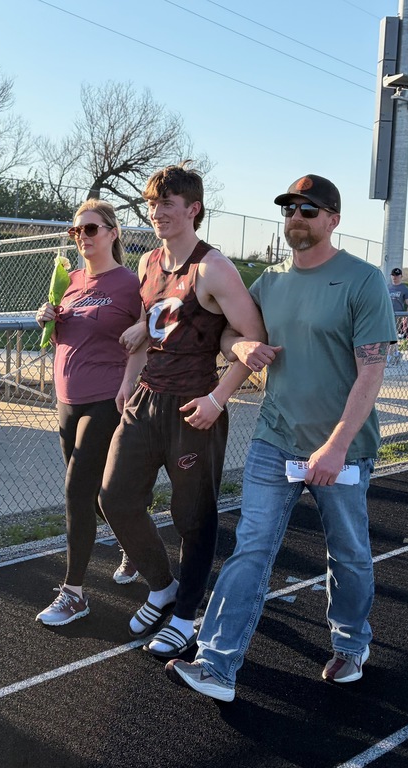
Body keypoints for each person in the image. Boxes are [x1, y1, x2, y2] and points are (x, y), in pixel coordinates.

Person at [166, 174, 394, 702]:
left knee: (348, 554)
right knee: (250, 548)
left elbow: (371, 371)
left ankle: (351, 644)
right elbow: (232, 331)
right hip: (274, 440)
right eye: (290, 209)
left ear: (333, 220)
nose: (296, 217)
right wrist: (240, 349)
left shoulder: (362, 281)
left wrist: (337, 445)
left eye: (308, 210)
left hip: (342, 449)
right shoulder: (269, 282)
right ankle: (216, 664)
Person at [99, 163, 266, 659]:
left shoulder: (213, 267)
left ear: (193, 209)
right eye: (152, 204)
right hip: (146, 399)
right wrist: (127, 382)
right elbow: (146, 331)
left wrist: (218, 399)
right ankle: (162, 586)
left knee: (192, 515)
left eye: (166, 204)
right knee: (115, 498)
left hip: (195, 405)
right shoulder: (149, 261)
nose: (156, 213)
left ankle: (187, 613)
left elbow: (253, 340)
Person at [33, 200, 145, 626]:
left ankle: (74, 593)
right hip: (67, 398)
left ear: (113, 233)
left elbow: (149, 337)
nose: (82, 236)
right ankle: (135, 545)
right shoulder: (71, 280)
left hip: (106, 398)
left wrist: (131, 382)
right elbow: (64, 333)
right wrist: (47, 317)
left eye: (91, 229)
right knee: (96, 495)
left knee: (76, 490)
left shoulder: (131, 284)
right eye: (76, 231)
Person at [386, 267, 408, 366]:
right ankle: (396, 353)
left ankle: (389, 357)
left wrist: (407, 317)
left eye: (397, 276)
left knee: (392, 335)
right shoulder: (387, 287)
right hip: (387, 314)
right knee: (391, 335)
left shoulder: (404, 289)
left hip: (397, 315)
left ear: (401, 276)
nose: (395, 277)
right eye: (393, 275)